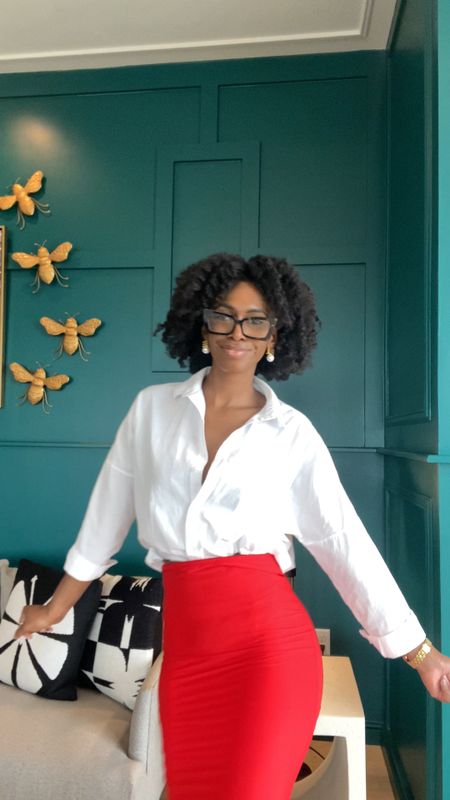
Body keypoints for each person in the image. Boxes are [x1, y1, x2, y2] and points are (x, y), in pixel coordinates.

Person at [15, 253, 450, 799]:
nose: (237, 331)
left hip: (268, 654)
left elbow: (343, 542)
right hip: (186, 658)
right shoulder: (149, 411)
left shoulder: (291, 433)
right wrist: (55, 608)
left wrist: (419, 652)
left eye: (256, 319)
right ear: (200, 324)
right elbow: (101, 526)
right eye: (223, 315)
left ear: (275, 336)